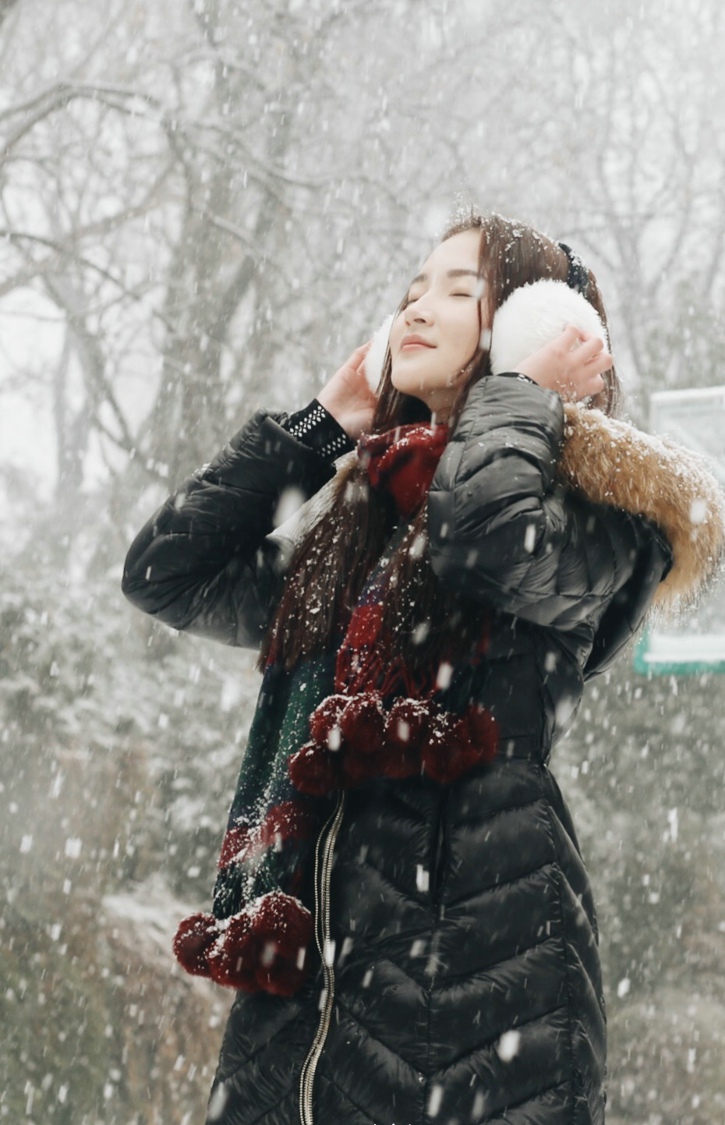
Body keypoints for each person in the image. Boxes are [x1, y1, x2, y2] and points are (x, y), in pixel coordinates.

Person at [122, 211, 723, 1125]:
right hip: (299, 1027)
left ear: (531, 321)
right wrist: (317, 429)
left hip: (482, 1004)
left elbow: (482, 542)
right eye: (411, 289)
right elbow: (167, 572)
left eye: (458, 287)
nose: (418, 305)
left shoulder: (601, 514)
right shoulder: (358, 540)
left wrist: (518, 389)